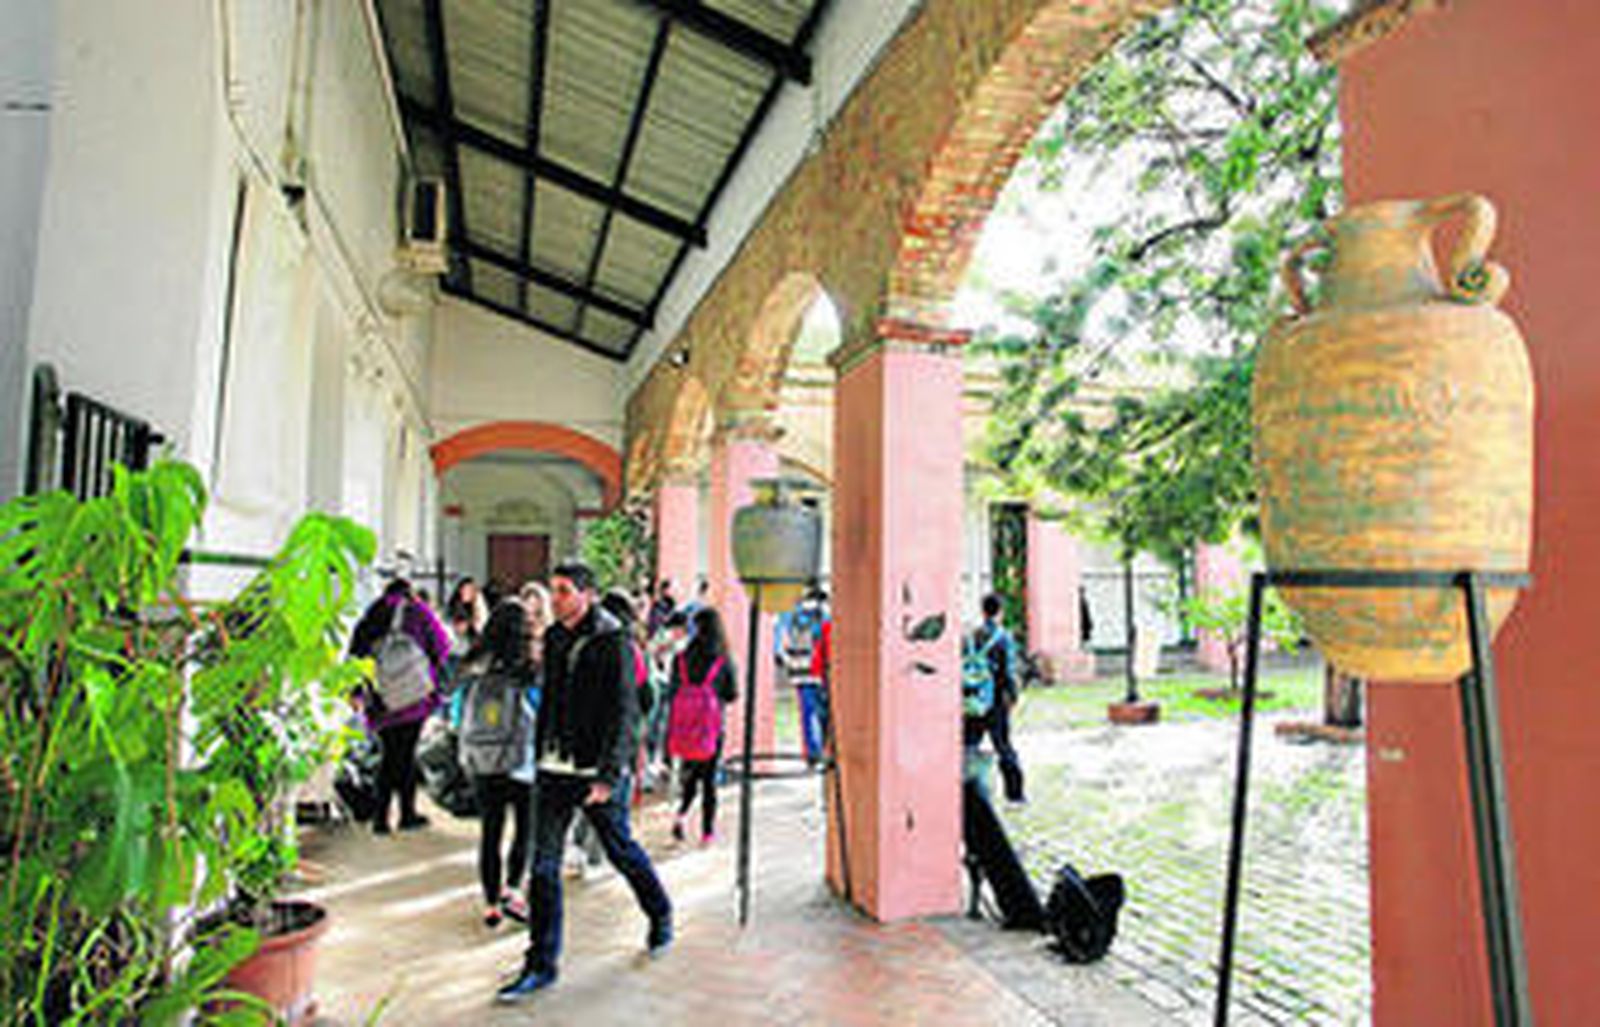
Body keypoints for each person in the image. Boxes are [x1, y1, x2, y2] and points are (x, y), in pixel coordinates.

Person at [496, 562, 672, 1003]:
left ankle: (660, 913)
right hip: (554, 769)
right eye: (553, 590)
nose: (555, 600)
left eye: (563, 591)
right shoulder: (555, 637)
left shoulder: (613, 641)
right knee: (543, 869)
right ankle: (541, 964)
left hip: (594, 771)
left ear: (587, 594)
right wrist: (539, 754)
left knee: (620, 850)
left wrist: (609, 775)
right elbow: (551, 699)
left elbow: (624, 712)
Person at [457, 600, 539, 927]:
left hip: (482, 758)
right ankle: (513, 890)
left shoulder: (473, 665)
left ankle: (490, 904)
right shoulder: (529, 669)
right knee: (525, 829)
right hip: (521, 760)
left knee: (490, 832)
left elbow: (457, 714)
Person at [347, 579, 451, 834]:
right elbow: (442, 646)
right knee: (405, 755)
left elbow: (355, 656)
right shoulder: (418, 611)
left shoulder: (373, 613)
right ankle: (406, 814)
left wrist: (356, 692)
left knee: (389, 756)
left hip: (381, 700)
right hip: (413, 698)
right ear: (409, 592)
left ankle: (381, 818)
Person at [666, 605, 738, 844]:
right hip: (712, 728)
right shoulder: (723, 660)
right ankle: (707, 833)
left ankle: (681, 815)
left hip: (685, 727)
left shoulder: (680, 659)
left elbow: (672, 691)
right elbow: (732, 694)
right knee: (708, 781)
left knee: (690, 774)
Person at [968, 593, 1026, 805]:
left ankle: (967, 793)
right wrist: (1014, 695)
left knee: (968, 746)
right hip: (996, 702)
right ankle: (1015, 795)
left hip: (973, 700)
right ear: (1000, 612)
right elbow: (1008, 672)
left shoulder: (972, 636)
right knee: (1004, 747)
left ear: (983, 611)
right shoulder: (1003, 637)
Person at [776, 589, 829, 767]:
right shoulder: (824, 614)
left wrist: (786, 660)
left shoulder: (790, 614)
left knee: (808, 713)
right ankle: (823, 749)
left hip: (800, 671)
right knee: (824, 713)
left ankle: (813, 753)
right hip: (820, 671)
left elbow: (779, 643)